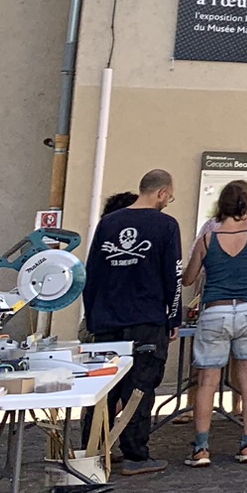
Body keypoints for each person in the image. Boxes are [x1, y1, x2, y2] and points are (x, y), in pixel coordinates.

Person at [81, 167, 182, 477]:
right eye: (169, 196)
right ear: (161, 193)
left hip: (107, 320)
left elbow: (91, 273)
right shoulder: (166, 225)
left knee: (103, 388)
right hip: (146, 320)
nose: (168, 202)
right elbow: (174, 275)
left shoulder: (108, 223)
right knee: (139, 388)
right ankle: (136, 455)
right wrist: (173, 318)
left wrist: (93, 316)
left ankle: (92, 451)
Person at [180, 179, 247, 468]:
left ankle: (201, 447)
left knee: (207, 381)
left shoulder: (208, 237)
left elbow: (189, 279)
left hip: (216, 309)